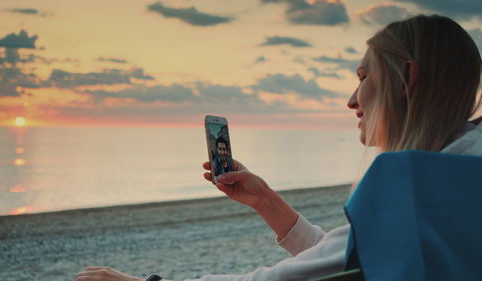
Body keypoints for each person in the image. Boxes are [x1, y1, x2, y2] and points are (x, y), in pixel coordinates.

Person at [76, 14, 482, 281]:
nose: (353, 99)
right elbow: (350, 259)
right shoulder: (460, 173)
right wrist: (266, 200)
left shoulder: (413, 189)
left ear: (405, 78)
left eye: (364, 76)